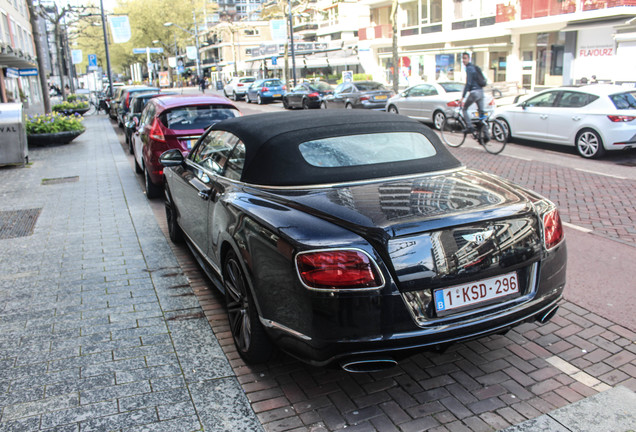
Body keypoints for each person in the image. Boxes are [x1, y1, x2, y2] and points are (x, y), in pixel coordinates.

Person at [461, 52, 486, 134]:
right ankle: (485, 134)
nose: (463, 60)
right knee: (481, 112)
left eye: (465, 58)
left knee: (464, 109)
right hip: (481, 92)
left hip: (474, 92)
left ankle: (469, 127)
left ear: (469, 59)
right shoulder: (475, 67)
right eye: (462, 58)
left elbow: (468, 83)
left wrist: (463, 97)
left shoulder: (469, 68)